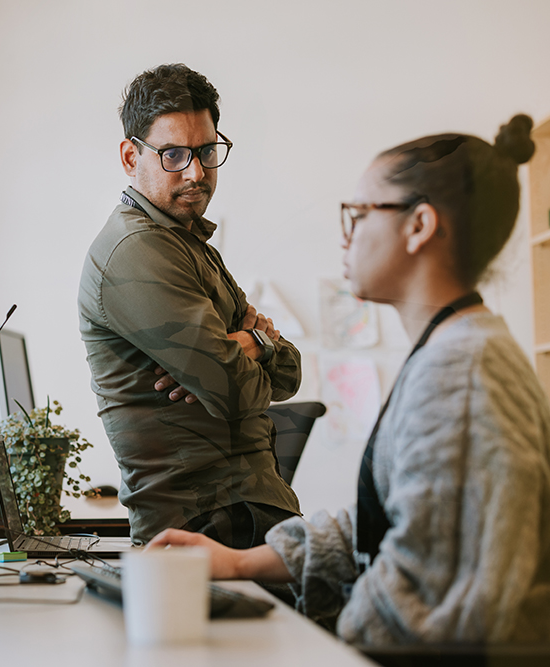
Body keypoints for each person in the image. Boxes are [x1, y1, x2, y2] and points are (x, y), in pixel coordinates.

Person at [149, 114, 550, 645]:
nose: (346, 234)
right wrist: (240, 564)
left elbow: (431, 611)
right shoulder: (448, 352)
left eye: (359, 214)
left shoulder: (463, 377)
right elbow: (377, 527)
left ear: (419, 226)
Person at [78, 63, 303, 547]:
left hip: (244, 511)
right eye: (173, 154)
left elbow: (289, 374)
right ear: (129, 157)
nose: (196, 172)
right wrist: (245, 350)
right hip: (207, 522)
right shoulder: (137, 251)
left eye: (206, 151)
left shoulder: (188, 243)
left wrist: (251, 344)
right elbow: (233, 391)